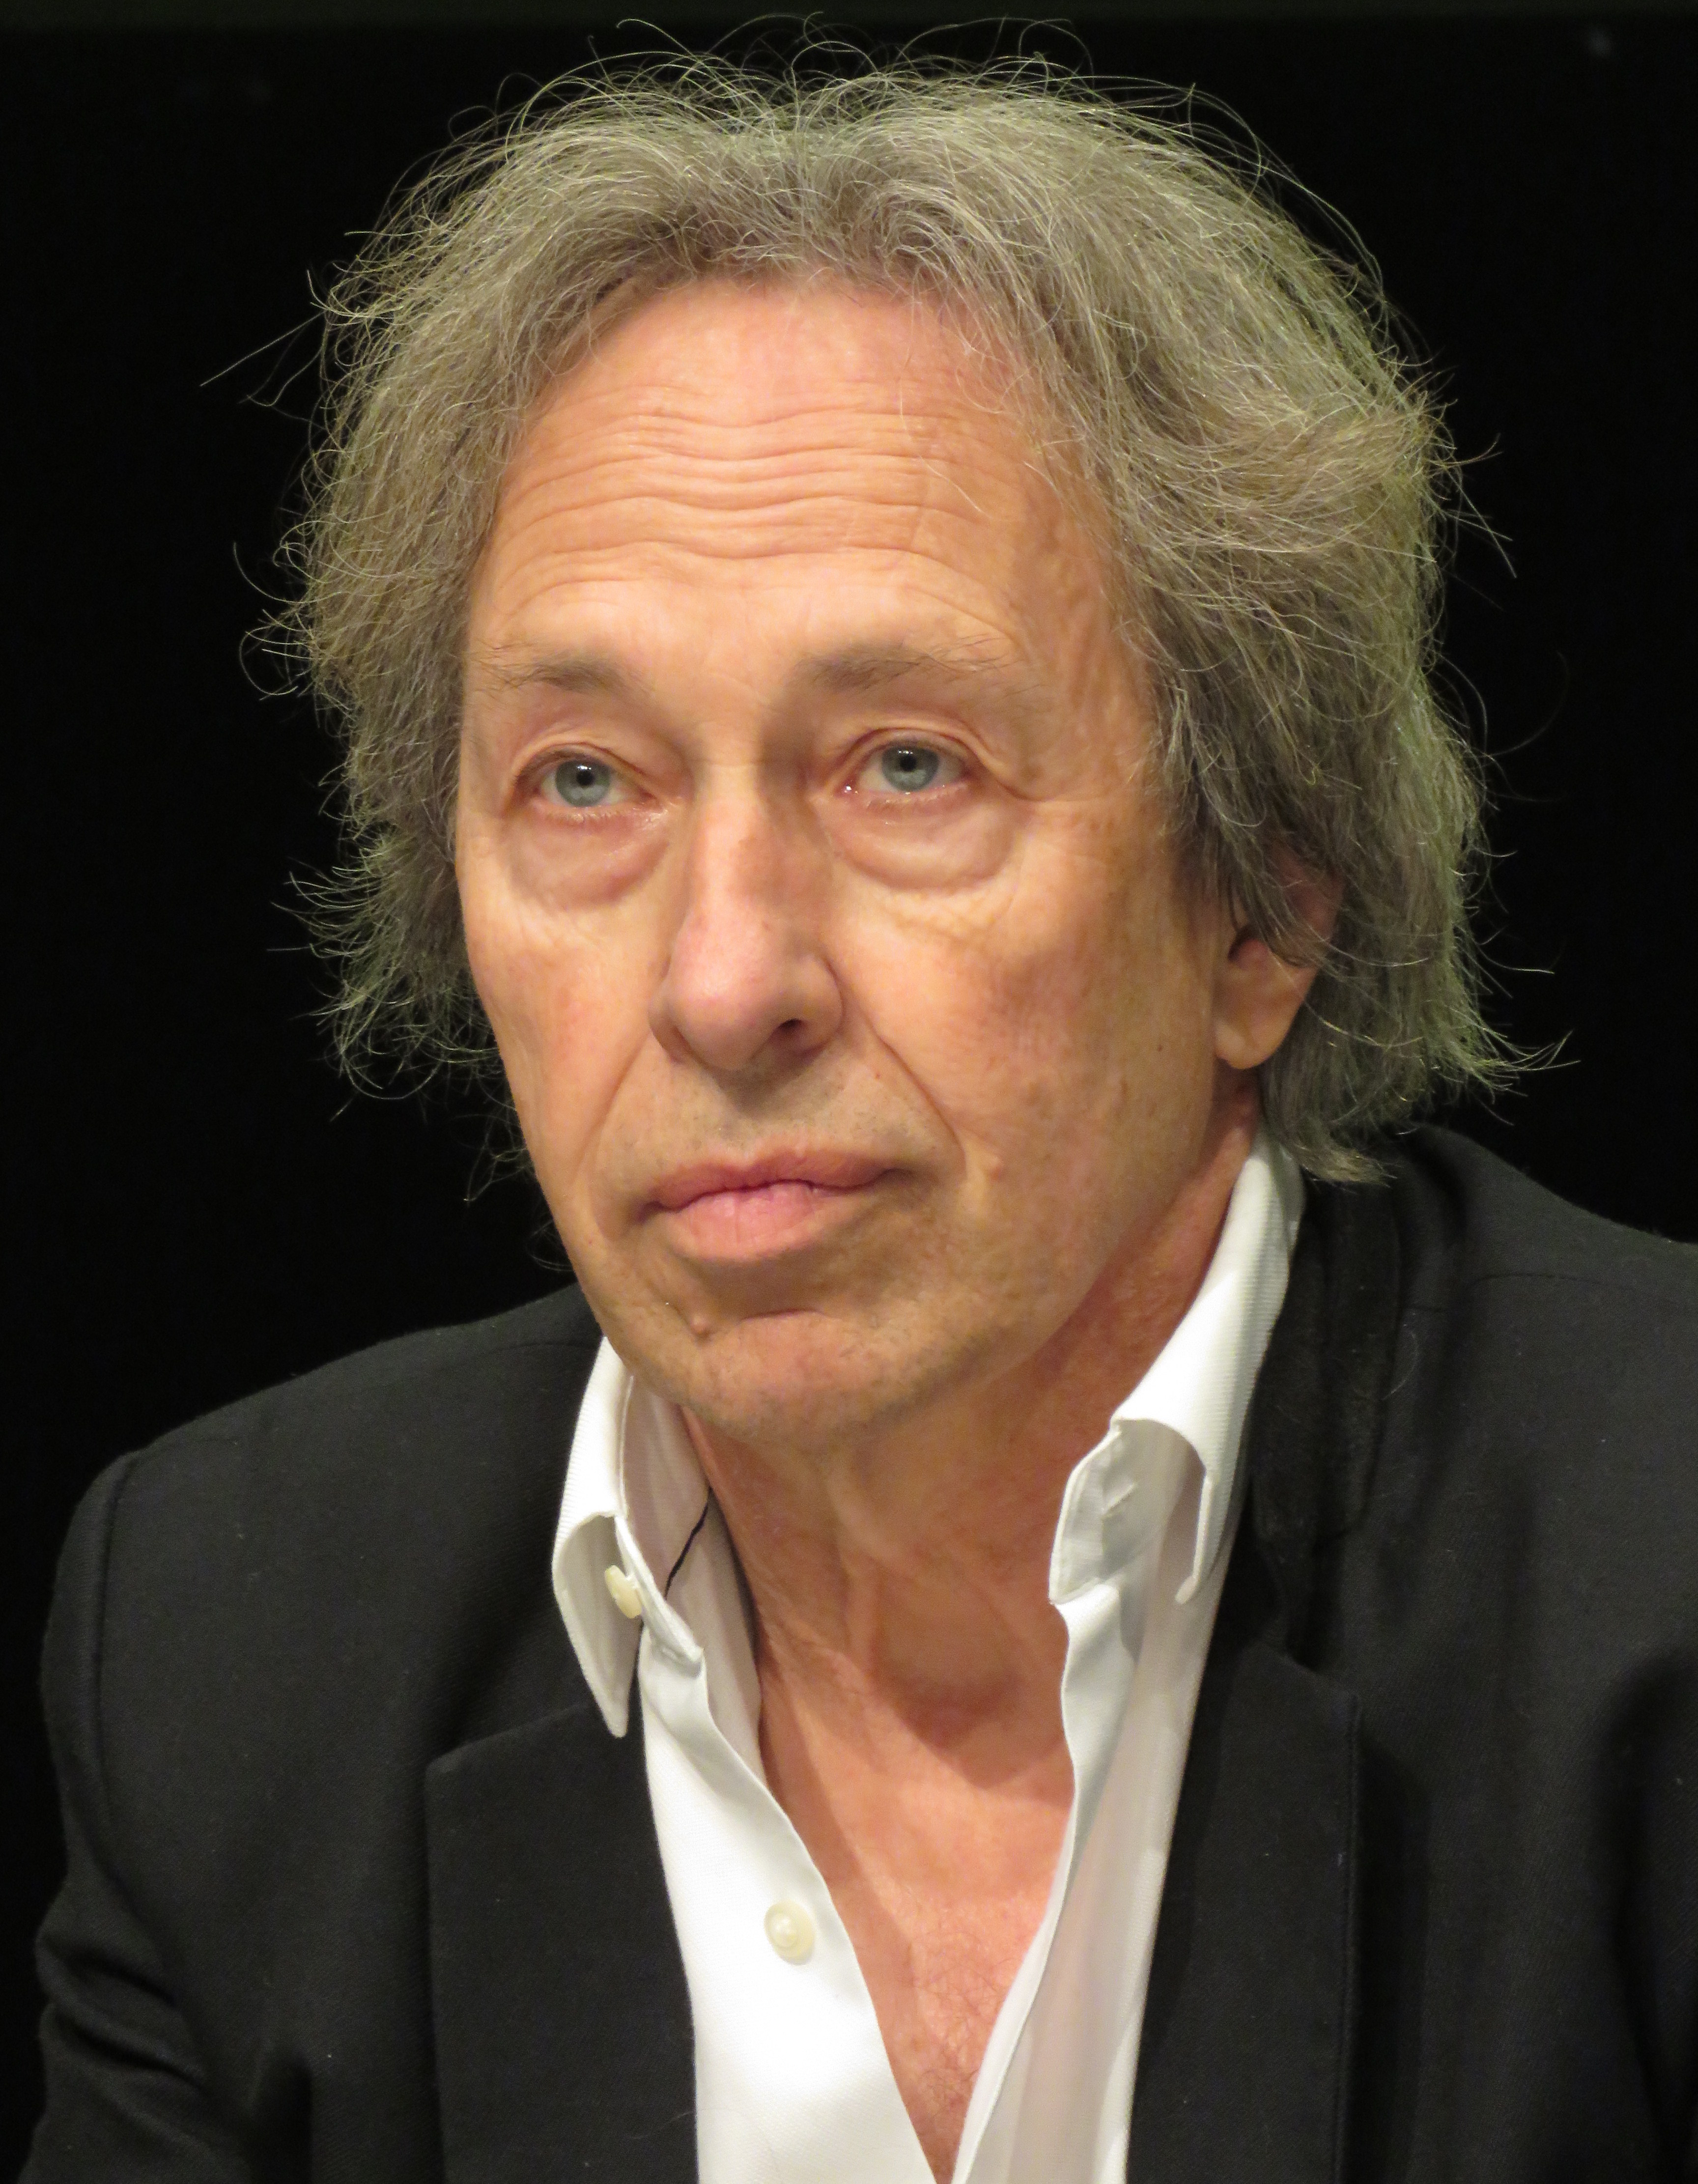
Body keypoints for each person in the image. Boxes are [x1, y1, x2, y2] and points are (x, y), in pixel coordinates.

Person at [23, 59, 1696, 2184]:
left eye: (908, 767)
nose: (726, 982)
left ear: (1266, 900)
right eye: (584, 782)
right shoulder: (233, 1644)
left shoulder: (1660, 1568)